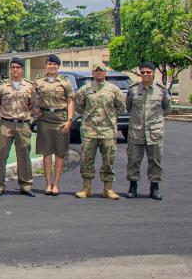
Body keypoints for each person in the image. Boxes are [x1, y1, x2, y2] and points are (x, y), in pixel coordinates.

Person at [74, 62, 126, 200]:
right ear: (92, 73)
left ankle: (108, 189)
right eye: (96, 71)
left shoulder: (114, 89)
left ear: (105, 73)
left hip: (108, 130)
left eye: (101, 70)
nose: (98, 73)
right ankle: (86, 188)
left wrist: (110, 117)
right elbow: (79, 107)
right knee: (86, 159)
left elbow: (120, 107)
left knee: (108, 159)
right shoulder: (84, 90)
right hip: (89, 130)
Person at [0, 57, 37, 197]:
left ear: (22, 69)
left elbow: (31, 104)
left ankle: (26, 185)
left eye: (18, 67)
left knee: (24, 156)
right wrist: (5, 114)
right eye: (13, 67)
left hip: (23, 124)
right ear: (10, 69)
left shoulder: (29, 86)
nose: (15, 70)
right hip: (6, 123)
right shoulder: (2, 86)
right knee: (0, 155)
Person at [125, 61, 170, 200]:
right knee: (133, 160)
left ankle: (154, 188)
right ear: (140, 73)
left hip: (154, 131)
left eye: (148, 72)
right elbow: (128, 107)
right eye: (143, 72)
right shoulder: (133, 90)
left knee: (155, 161)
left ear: (153, 73)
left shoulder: (161, 90)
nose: (145, 74)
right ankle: (133, 187)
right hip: (136, 131)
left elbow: (167, 109)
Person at [34, 54, 74, 196]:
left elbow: (70, 101)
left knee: (59, 153)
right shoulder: (38, 81)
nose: (51, 67)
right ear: (46, 65)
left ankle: (56, 184)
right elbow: (34, 99)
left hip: (60, 119)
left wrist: (69, 120)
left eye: (54, 64)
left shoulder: (65, 82)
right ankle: (47, 184)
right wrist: (35, 111)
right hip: (44, 119)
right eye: (49, 64)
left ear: (58, 66)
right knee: (46, 153)